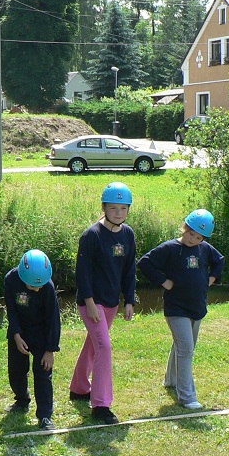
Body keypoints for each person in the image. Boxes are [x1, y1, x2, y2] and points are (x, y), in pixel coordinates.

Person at [137, 209, 225, 411]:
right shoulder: (170, 248)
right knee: (186, 349)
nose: (193, 240)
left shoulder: (204, 248)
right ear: (185, 228)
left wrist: (211, 279)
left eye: (198, 237)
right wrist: (163, 281)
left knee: (183, 345)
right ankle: (187, 396)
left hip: (197, 306)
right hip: (176, 308)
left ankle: (171, 380)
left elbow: (219, 260)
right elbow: (145, 263)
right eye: (191, 234)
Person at [69, 182, 136, 425]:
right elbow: (83, 272)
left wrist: (129, 300)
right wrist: (89, 303)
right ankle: (101, 405)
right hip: (92, 303)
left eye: (123, 208)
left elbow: (129, 270)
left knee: (93, 344)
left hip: (111, 302)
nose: (118, 212)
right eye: (113, 207)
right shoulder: (92, 235)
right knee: (104, 348)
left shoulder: (128, 234)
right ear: (104, 207)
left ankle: (78, 388)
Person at [4, 249, 62, 431]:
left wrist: (50, 349)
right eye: (32, 286)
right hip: (20, 332)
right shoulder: (11, 280)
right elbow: (11, 310)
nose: (37, 289)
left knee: (43, 374)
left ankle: (45, 416)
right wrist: (16, 335)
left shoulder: (48, 287)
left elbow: (53, 319)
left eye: (40, 285)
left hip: (42, 334)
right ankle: (22, 400)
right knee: (16, 370)